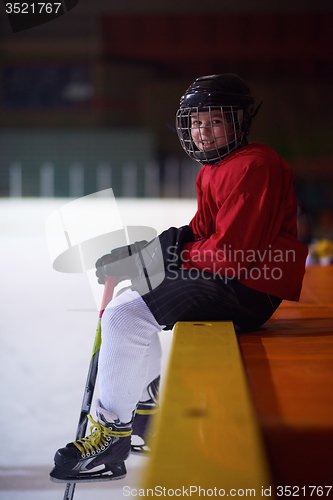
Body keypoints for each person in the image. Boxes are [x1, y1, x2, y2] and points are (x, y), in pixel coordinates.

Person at [50, 74, 308, 483]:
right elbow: (203, 233)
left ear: (240, 122)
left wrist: (162, 258)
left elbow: (231, 256)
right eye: (196, 122)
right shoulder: (215, 169)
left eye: (215, 122)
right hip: (235, 279)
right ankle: (146, 414)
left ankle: (111, 439)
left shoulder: (255, 166)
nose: (203, 132)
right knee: (132, 300)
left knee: (124, 316)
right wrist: (147, 255)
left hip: (250, 288)